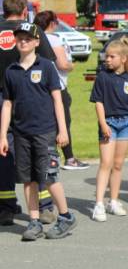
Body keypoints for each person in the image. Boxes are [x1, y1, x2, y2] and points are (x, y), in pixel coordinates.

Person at [0, 22, 77, 240]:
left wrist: (63, 130)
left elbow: (57, 100)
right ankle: (34, 221)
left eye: (27, 38)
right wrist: (2, 135)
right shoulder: (11, 71)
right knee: (28, 179)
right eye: (19, 38)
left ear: (36, 42)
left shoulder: (46, 66)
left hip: (44, 132)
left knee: (49, 176)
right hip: (20, 133)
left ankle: (65, 216)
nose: (23, 42)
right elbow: (7, 104)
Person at [0, 0, 56, 226]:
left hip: (3, 98)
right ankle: (43, 205)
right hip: (27, 97)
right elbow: (48, 61)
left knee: (3, 151)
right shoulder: (31, 30)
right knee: (35, 148)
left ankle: (5, 208)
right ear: (24, 11)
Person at [90, 37, 128, 222]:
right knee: (106, 163)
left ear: (123, 58)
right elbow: (98, 102)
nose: (107, 60)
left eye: (112, 56)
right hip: (109, 124)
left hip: (125, 124)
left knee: (118, 164)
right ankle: (99, 204)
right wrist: (103, 124)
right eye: (106, 56)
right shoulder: (103, 77)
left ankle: (113, 201)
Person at [33, 11, 89, 170]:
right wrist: (72, 66)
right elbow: (62, 64)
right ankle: (69, 158)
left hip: (39, 87)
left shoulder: (34, 39)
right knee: (63, 122)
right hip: (57, 87)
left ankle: (46, 156)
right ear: (52, 23)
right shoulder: (54, 39)